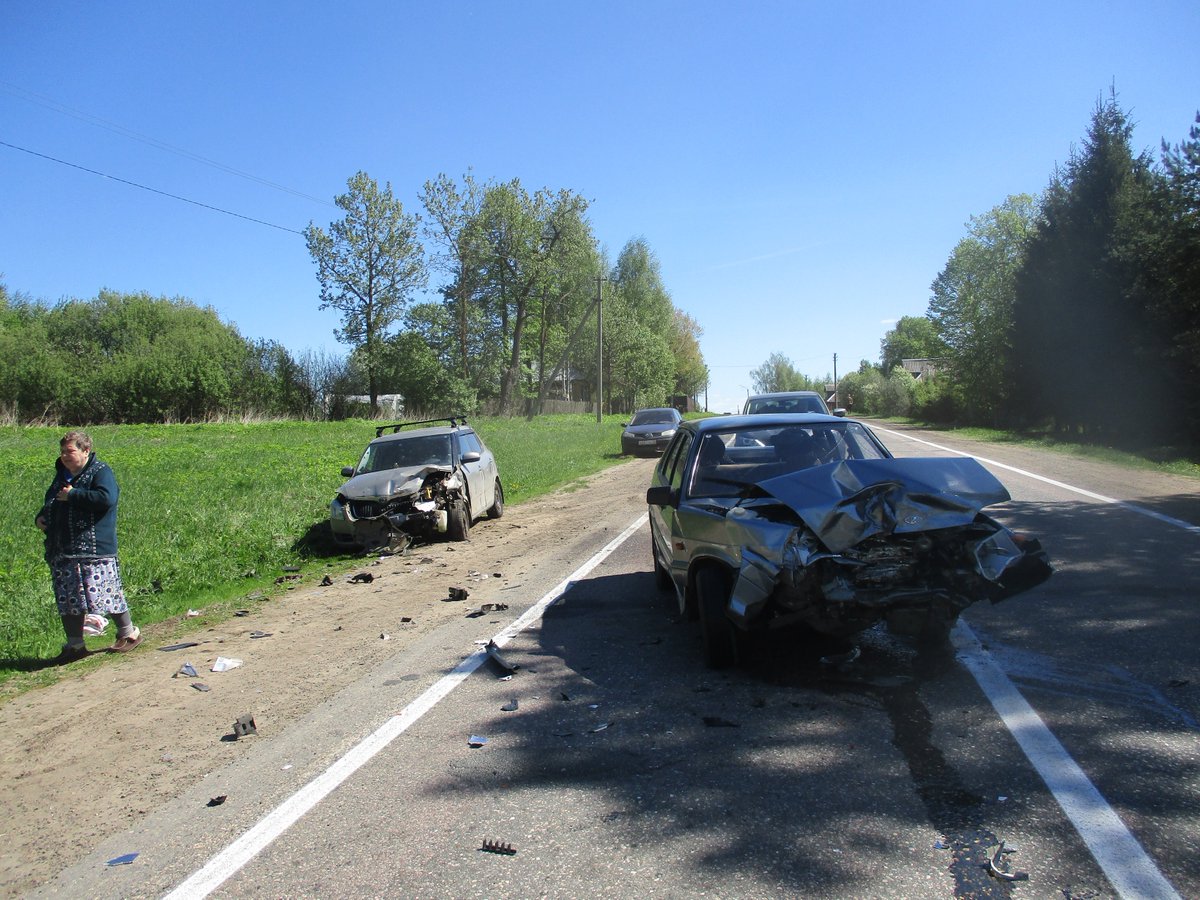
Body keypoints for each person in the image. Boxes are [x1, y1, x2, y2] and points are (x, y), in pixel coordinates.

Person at [34, 431, 141, 663]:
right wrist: (41, 517)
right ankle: (75, 645)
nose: (64, 456)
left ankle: (129, 633)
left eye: (70, 451)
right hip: (63, 547)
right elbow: (52, 500)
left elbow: (106, 499)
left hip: (94, 548)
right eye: (62, 452)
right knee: (68, 597)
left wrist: (74, 495)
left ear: (85, 450)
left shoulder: (100, 472)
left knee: (106, 592)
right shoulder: (62, 475)